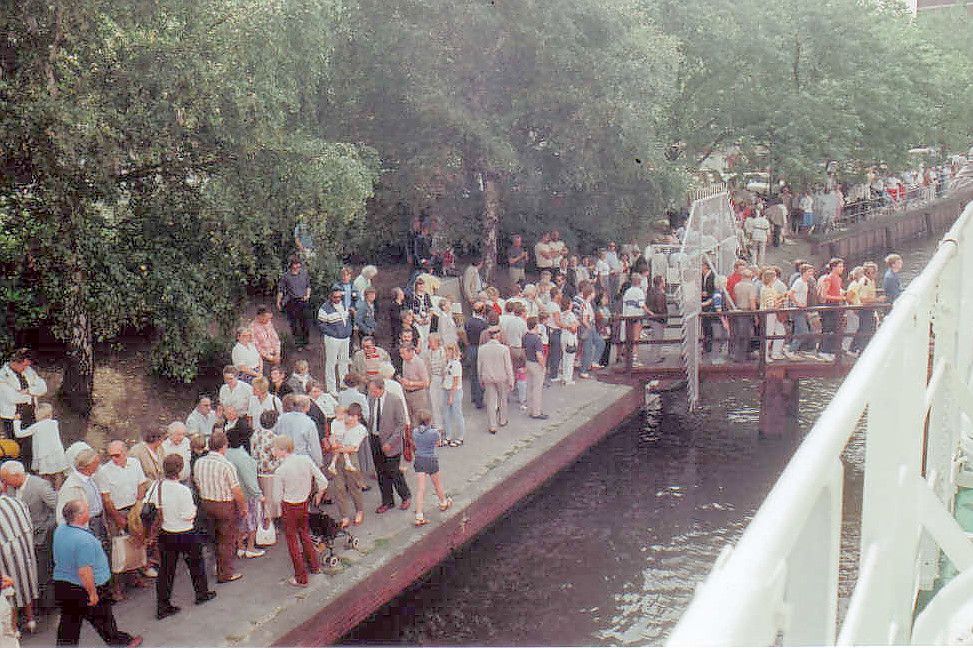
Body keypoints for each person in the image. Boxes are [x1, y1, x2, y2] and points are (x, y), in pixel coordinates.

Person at [53, 499, 141, 647]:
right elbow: (84, 571)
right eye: (86, 509)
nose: (89, 511)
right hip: (86, 587)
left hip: (64, 584)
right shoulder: (84, 540)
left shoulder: (60, 530)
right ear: (79, 515)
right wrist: (92, 593)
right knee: (103, 619)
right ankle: (121, 642)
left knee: (69, 624)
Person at [149, 454, 216, 619]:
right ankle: (201, 594)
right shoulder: (183, 491)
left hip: (166, 532)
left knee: (166, 570)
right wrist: (193, 510)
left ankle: (162, 606)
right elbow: (188, 515)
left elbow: (152, 506)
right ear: (179, 470)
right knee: (195, 564)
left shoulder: (156, 486)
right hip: (185, 532)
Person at [272, 436, 327, 588]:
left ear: (282, 451)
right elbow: (323, 481)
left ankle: (301, 577)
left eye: (275, 449)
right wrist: (318, 494)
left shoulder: (280, 470)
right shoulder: (305, 460)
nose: (273, 451)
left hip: (289, 506)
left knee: (292, 541)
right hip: (304, 503)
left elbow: (277, 497)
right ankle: (315, 566)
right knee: (305, 534)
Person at [192, 432, 245, 584]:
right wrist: (243, 507)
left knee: (213, 537)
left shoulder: (199, 462)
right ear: (224, 446)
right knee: (226, 540)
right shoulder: (227, 465)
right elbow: (236, 490)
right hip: (224, 505)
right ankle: (225, 573)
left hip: (206, 503)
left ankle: (218, 566)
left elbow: (196, 482)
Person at [366, 379, 411, 513]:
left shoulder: (394, 400)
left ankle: (405, 496)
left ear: (381, 389)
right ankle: (387, 501)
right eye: (370, 391)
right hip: (375, 438)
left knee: (394, 471)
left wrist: (390, 442)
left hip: (391, 442)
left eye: (374, 391)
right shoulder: (371, 399)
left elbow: (401, 424)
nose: (372, 393)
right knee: (381, 472)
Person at [0, 349, 48, 472]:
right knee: (16, 445)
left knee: (30, 443)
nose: (26, 368)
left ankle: (28, 471)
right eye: (24, 365)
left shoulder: (29, 371)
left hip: (30, 413)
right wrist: (30, 396)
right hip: (13, 416)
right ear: (16, 362)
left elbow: (43, 387)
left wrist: (28, 391)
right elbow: (12, 398)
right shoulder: (3, 375)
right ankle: (15, 472)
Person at [0, 489, 38, 634]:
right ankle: (30, 619)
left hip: (5, 553)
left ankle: (13, 628)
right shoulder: (17, 502)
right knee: (26, 583)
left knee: (9, 589)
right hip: (25, 547)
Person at [224, 428, 264, 560]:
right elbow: (250, 481)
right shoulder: (243, 457)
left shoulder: (225, 455)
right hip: (246, 495)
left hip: (231, 495)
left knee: (238, 522)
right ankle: (251, 548)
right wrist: (259, 495)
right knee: (252, 521)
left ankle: (240, 546)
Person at [410, 410, 453, 527]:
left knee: (421, 489)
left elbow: (415, 443)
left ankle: (419, 516)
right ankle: (443, 502)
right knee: (437, 484)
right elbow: (438, 444)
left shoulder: (415, 432)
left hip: (419, 460)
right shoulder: (434, 433)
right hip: (431, 460)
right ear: (429, 421)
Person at [328, 404, 367, 528]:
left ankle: (359, 511)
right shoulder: (339, 423)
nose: (350, 418)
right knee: (339, 488)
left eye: (353, 416)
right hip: (338, 459)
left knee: (354, 487)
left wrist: (338, 448)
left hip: (350, 458)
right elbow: (332, 436)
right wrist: (332, 442)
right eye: (349, 415)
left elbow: (354, 447)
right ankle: (344, 515)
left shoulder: (361, 429)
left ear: (358, 417)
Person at [15, 401, 67, 488]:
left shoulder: (36, 426)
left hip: (43, 454)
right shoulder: (54, 423)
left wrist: (16, 422)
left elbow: (19, 434)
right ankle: (58, 491)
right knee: (58, 473)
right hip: (56, 452)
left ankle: (47, 490)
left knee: (44, 475)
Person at [477, 327, 514, 434]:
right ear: (498, 336)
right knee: (503, 398)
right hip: (501, 377)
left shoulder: (482, 349)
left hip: (488, 377)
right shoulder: (504, 349)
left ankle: (492, 425)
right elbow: (508, 367)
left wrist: (480, 379)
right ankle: (502, 419)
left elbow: (479, 365)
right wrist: (511, 380)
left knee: (490, 401)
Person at [318, 285, 353, 396]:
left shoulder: (344, 305)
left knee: (344, 361)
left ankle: (344, 384)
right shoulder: (324, 308)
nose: (338, 299)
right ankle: (331, 388)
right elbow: (321, 324)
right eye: (335, 297)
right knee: (331, 363)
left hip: (345, 338)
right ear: (330, 296)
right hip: (332, 339)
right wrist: (333, 333)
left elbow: (348, 319)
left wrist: (348, 330)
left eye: (339, 296)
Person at [276, 395, 323, 467]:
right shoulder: (309, 422)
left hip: (283, 459)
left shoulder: (281, 419)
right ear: (307, 407)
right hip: (301, 461)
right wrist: (318, 462)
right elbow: (314, 445)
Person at [276, 256, 312, 350]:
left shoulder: (304, 273)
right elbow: (281, 290)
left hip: (303, 301)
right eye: (295, 264)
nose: (297, 266)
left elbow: (308, 286)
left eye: (298, 264)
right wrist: (278, 302)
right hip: (292, 302)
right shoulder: (286, 276)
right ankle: (298, 344)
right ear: (291, 265)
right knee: (294, 324)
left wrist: (307, 296)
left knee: (305, 323)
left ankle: (306, 342)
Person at [818, 258, 846, 360]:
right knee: (828, 328)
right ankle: (824, 350)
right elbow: (824, 295)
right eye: (840, 266)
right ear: (833, 267)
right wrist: (839, 298)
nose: (842, 268)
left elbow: (837, 291)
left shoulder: (838, 278)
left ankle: (832, 350)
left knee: (836, 328)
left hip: (836, 306)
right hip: (830, 307)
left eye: (842, 266)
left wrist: (842, 294)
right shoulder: (828, 278)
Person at [440, 343, 466, 445]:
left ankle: (460, 436)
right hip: (446, 389)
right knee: (446, 414)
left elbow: (455, 381)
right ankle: (448, 435)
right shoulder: (448, 362)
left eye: (448, 351)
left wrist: (451, 396)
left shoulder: (456, 364)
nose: (446, 353)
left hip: (454, 391)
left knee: (457, 414)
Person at [463, 303, 488, 410]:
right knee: (480, 374)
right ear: (482, 311)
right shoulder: (483, 324)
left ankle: (473, 396)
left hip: (471, 347)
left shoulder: (468, 322)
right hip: (480, 348)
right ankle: (479, 399)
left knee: (473, 373)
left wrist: (467, 343)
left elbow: (463, 333)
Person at [522, 318, 548, 420]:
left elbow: (523, 350)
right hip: (536, 364)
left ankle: (530, 409)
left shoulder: (525, 337)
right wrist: (543, 366)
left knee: (529, 387)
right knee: (537, 389)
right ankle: (536, 412)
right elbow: (539, 355)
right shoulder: (537, 339)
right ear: (536, 326)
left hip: (528, 362)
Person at [759, 269, 786, 362]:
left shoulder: (767, 288)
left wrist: (781, 297)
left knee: (780, 332)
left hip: (771, 314)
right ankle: (765, 356)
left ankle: (775, 353)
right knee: (768, 335)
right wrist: (781, 301)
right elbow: (771, 306)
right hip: (769, 314)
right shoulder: (767, 290)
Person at [399, 344, 431, 421]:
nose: (401, 355)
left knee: (420, 418)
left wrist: (410, 383)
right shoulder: (405, 361)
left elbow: (426, 383)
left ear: (411, 352)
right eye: (400, 353)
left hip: (418, 395)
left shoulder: (419, 363)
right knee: (410, 419)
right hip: (407, 394)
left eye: (403, 353)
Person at [422, 333, 447, 431]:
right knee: (434, 403)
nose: (430, 344)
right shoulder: (428, 353)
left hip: (442, 379)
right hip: (433, 379)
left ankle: (445, 425)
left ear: (437, 342)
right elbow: (426, 367)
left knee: (442, 403)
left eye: (431, 342)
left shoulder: (443, 352)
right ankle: (438, 426)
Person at [251, 306, 282, 377]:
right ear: (260, 316)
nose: (269, 320)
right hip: (264, 360)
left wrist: (277, 354)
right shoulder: (252, 328)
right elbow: (256, 348)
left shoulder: (268, 323)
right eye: (267, 318)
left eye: (270, 318)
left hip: (275, 356)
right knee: (268, 379)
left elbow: (275, 339)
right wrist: (271, 358)